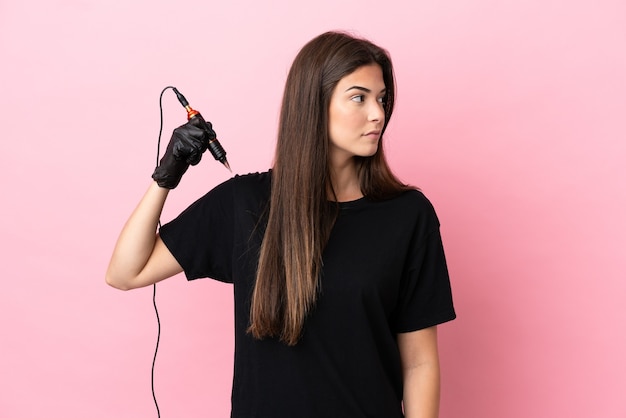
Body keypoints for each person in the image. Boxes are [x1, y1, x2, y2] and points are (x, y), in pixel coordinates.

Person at [106, 31, 456, 418]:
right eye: (359, 97)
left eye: (382, 99)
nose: (378, 114)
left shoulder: (408, 216)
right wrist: (167, 173)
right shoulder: (244, 204)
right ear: (313, 104)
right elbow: (125, 272)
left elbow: (420, 363)